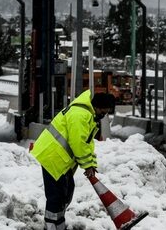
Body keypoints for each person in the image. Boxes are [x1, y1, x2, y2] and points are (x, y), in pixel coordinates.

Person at [31, 90, 116, 230]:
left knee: (66, 192)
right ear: (97, 107)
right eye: (103, 112)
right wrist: (87, 166)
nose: (104, 115)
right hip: (53, 157)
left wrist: (91, 164)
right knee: (56, 196)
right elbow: (78, 144)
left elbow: (87, 143)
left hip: (60, 159)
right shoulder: (80, 115)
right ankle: (52, 226)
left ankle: (59, 224)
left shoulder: (88, 115)